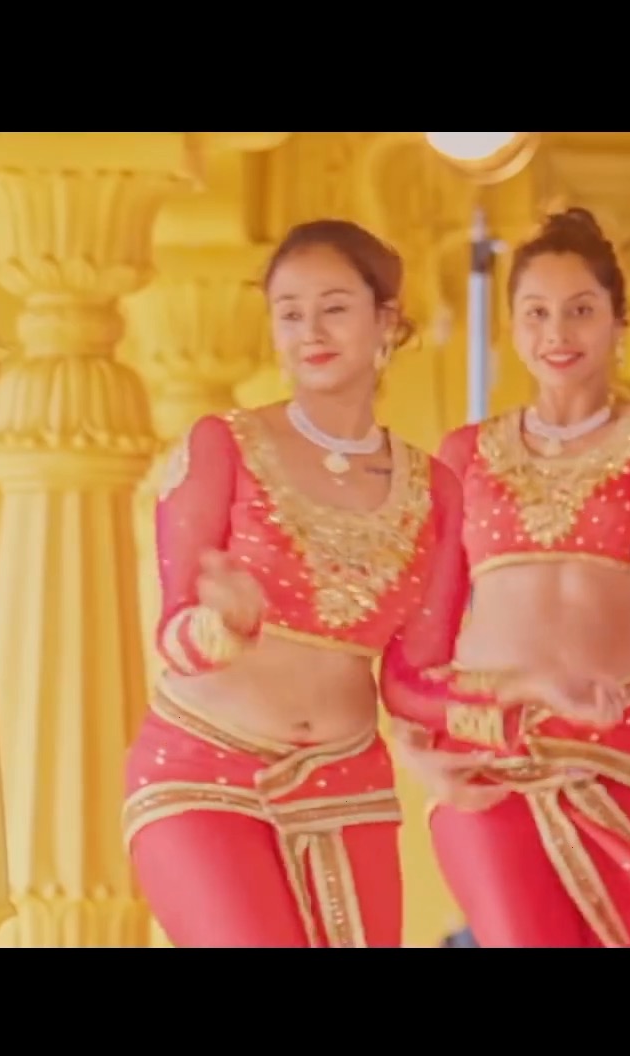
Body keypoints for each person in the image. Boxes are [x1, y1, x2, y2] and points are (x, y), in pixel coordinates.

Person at [125, 219, 553, 947]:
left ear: (385, 320)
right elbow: (175, 636)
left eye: (333, 308)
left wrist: (527, 695)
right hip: (204, 769)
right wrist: (221, 626)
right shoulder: (223, 445)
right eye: (289, 313)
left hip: (344, 787)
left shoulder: (433, 490)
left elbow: (413, 680)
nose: (311, 331)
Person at [391, 208, 630, 949]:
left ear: (620, 322)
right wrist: (413, 746)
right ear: (511, 327)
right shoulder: (465, 454)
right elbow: (417, 650)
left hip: (626, 758)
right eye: (536, 313)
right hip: (489, 760)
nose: (557, 333)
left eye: (580, 310)